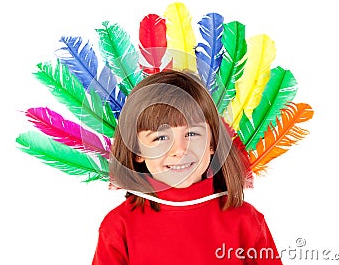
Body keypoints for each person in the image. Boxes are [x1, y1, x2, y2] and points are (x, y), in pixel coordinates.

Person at [92, 70, 283, 264]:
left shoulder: (246, 220)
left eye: (192, 134)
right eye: (160, 137)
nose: (180, 150)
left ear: (212, 144)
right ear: (137, 151)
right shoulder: (119, 226)